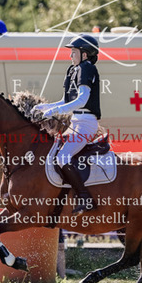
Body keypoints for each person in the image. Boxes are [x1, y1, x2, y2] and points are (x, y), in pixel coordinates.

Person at [33, 34, 101, 215]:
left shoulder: (87, 68)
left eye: (74, 52)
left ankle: (85, 197)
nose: (70, 55)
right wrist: (45, 107)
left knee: (62, 157)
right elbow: (65, 100)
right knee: (52, 152)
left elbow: (82, 100)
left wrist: (55, 112)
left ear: (85, 54)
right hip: (76, 121)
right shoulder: (73, 70)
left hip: (86, 123)